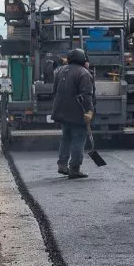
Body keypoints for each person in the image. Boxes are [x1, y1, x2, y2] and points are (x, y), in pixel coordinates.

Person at [52, 48, 94, 179]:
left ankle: (62, 165)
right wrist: (90, 111)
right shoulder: (84, 73)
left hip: (62, 110)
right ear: (82, 59)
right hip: (77, 111)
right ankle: (74, 168)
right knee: (78, 139)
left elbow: (54, 91)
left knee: (66, 137)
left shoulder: (59, 71)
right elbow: (86, 95)